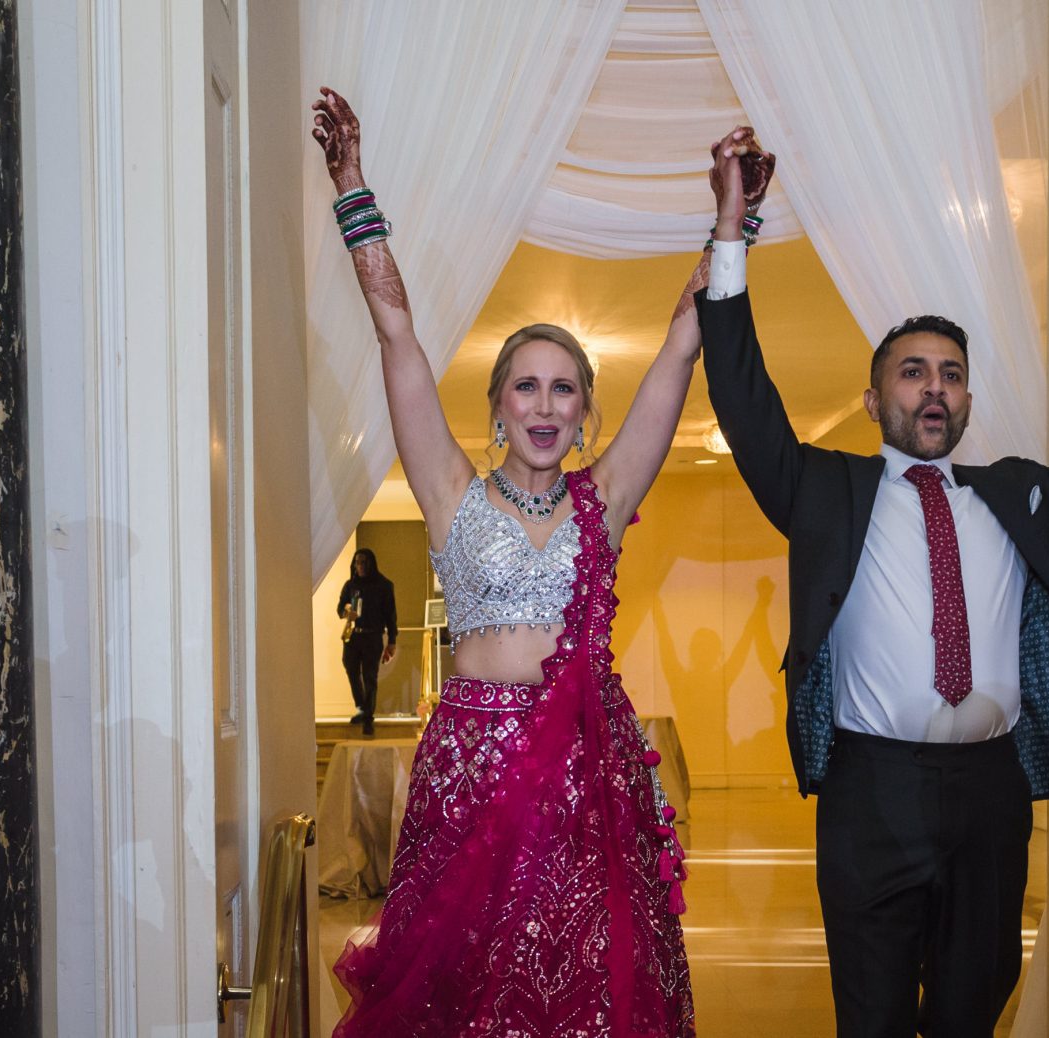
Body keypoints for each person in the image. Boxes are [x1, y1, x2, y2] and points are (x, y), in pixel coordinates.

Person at [695, 130, 1049, 1037]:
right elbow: (744, 397)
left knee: (972, 1011)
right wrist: (732, 232)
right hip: (871, 791)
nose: (934, 390)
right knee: (872, 1016)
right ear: (874, 402)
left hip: (990, 791)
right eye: (912, 373)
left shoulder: (1018, 494)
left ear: (968, 400)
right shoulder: (825, 491)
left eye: (951, 375)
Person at [311, 91, 767, 1037]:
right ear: (498, 406)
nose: (546, 404)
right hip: (470, 766)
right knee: (466, 986)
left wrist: (732, 224)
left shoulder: (606, 497)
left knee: (575, 994)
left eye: (565, 389)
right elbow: (397, 336)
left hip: (580, 779)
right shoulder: (450, 493)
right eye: (527, 385)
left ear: (587, 412)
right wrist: (355, 189)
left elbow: (683, 348)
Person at [336, 548, 397, 735]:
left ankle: (368, 718)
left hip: (372, 637)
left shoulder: (384, 585)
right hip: (353, 635)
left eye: (364, 562)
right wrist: (347, 611)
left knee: (370, 676)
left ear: (371, 564)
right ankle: (362, 707)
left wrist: (392, 641)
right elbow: (339, 609)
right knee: (350, 667)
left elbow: (391, 615)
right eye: (358, 562)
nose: (360, 566)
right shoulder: (350, 585)